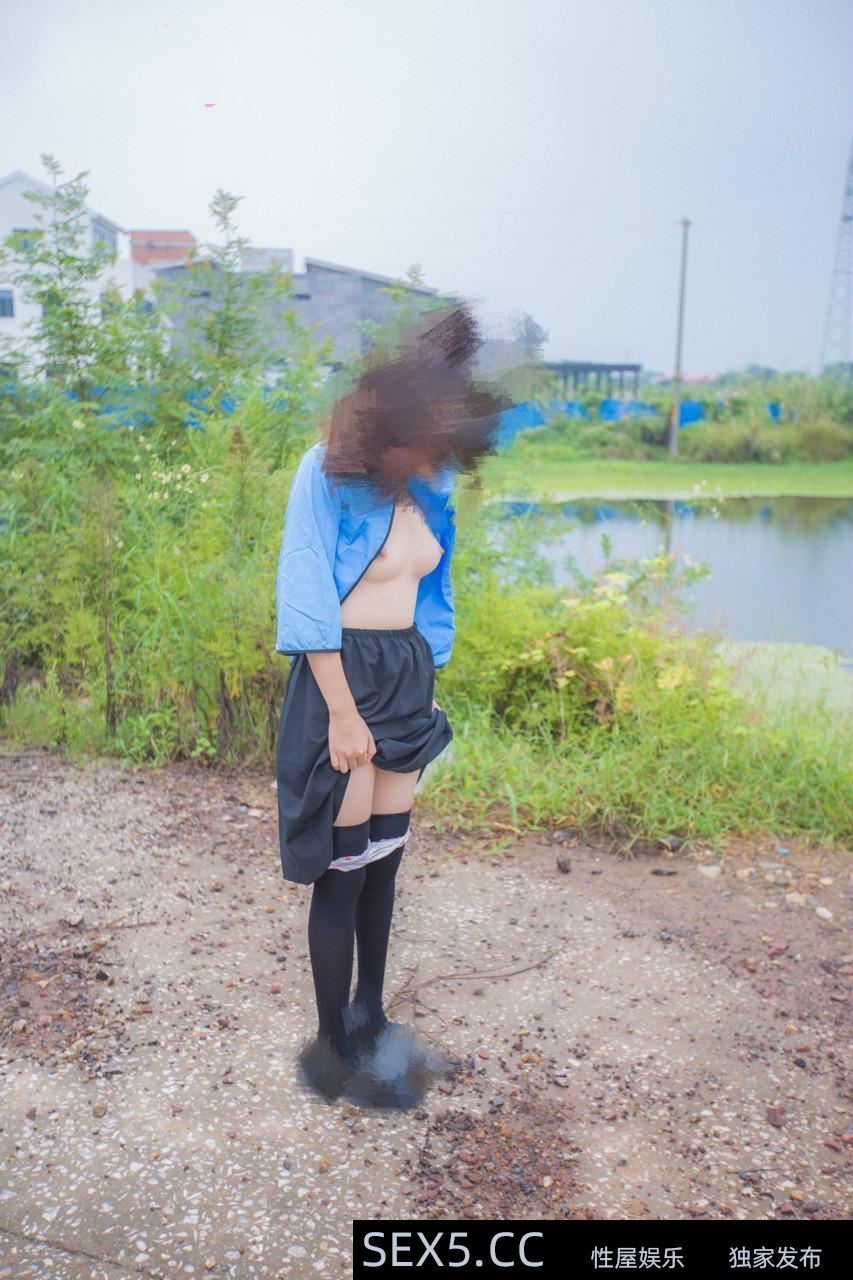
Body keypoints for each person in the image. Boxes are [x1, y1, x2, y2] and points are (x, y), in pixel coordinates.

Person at [274, 303, 512, 1109]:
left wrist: (427, 674)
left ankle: (371, 1020)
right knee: (342, 873)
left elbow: (433, 588)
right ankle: (332, 1045)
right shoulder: (327, 472)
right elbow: (306, 586)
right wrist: (342, 714)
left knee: (384, 864)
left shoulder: (430, 483)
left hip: (406, 678)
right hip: (344, 678)